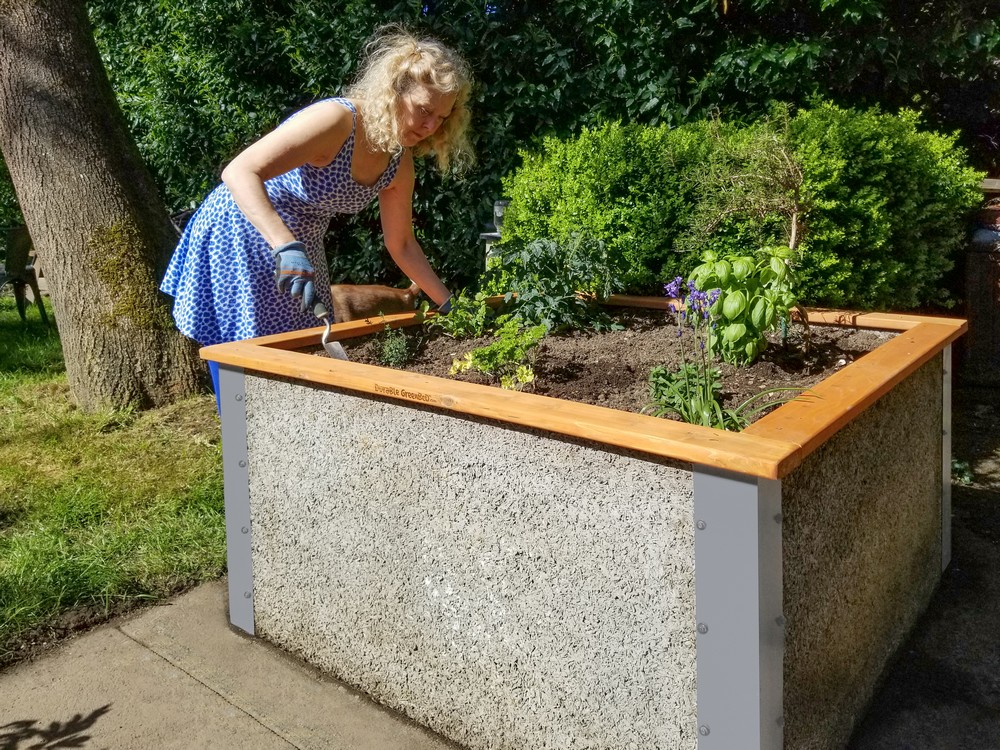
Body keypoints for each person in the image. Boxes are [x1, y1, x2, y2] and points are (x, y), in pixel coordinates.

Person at [160, 25, 473, 403]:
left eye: (441, 117)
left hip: (300, 241)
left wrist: (449, 305)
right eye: (424, 110)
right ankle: (243, 447)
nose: (429, 126)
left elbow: (401, 243)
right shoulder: (335, 120)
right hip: (241, 227)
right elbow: (239, 172)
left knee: (304, 344)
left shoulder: (398, 161)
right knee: (246, 354)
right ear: (395, 91)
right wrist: (283, 244)